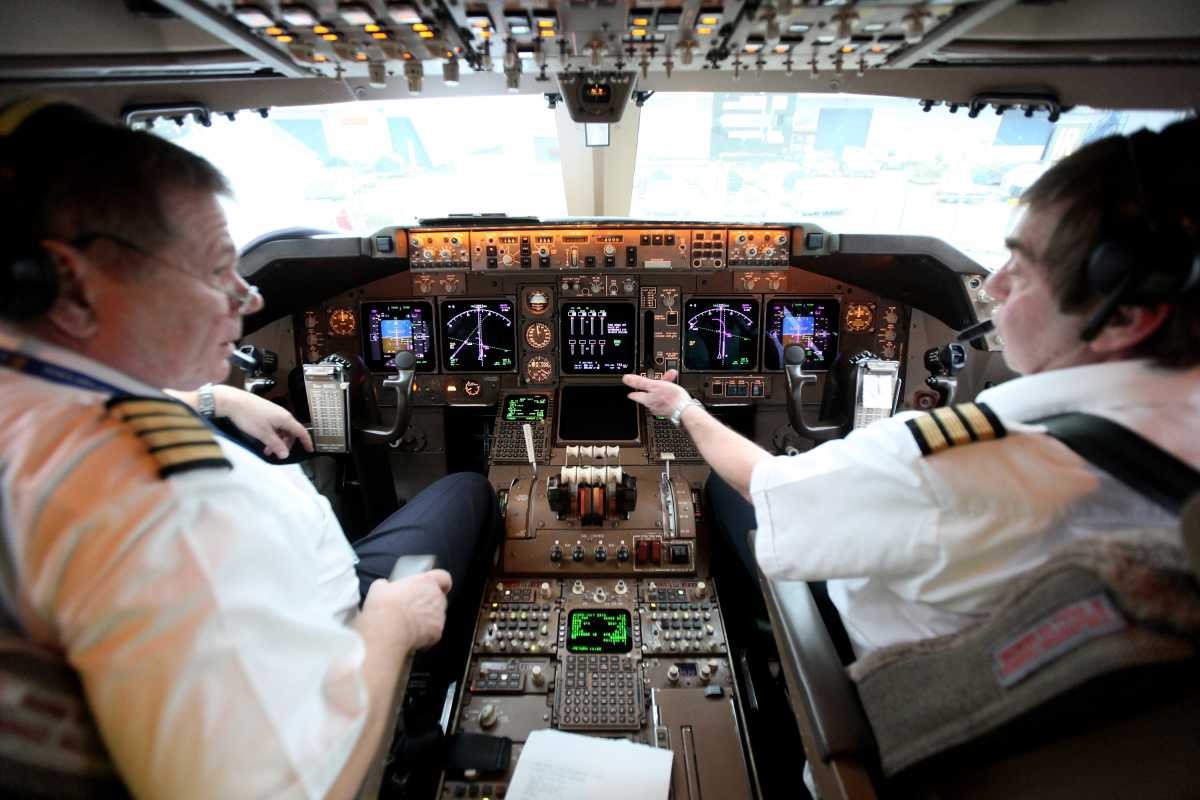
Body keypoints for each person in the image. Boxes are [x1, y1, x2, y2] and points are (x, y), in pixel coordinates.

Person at [0, 99, 496, 798]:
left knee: (464, 491)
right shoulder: (171, 513)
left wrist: (209, 398)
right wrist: (389, 628)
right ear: (73, 288)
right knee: (472, 490)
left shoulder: (34, 396)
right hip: (345, 625)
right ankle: (427, 703)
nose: (250, 299)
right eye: (216, 272)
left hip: (302, 586)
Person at [625, 116, 1200, 658]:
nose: (993, 286)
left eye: (1021, 270)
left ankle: (763, 662)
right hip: (1001, 676)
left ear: (1126, 316)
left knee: (726, 493)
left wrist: (685, 408)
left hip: (878, 678)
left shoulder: (950, 464)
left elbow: (765, 485)